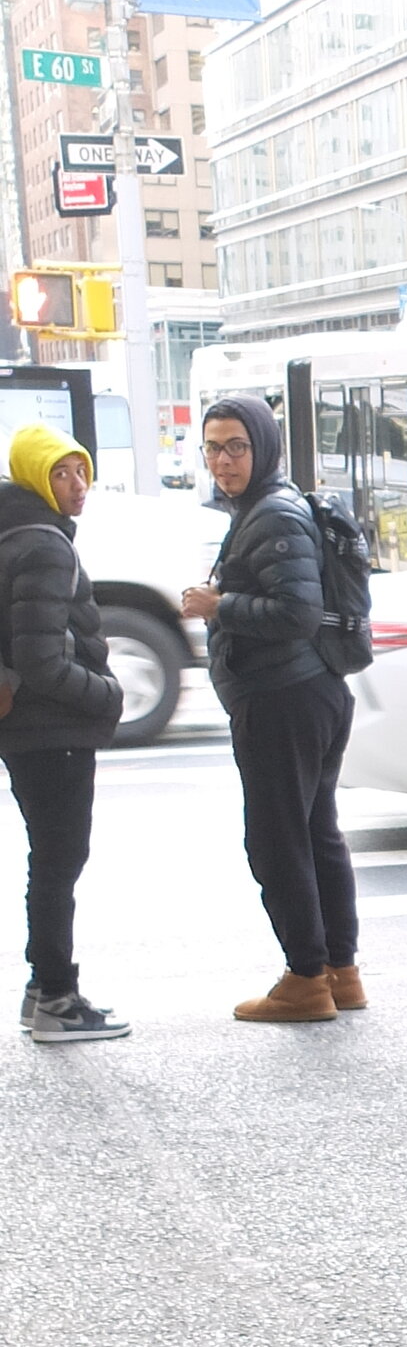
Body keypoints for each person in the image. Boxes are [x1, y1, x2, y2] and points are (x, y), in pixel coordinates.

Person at [182, 396, 363, 1023]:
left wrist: (219, 606)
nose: (224, 460)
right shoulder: (264, 509)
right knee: (314, 833)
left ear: (262, 447)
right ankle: (341, 973)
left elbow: (297, 613)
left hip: (284, 697)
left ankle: (306, 979)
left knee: (277, 841)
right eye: (212, 447)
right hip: (309, 693)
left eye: (237, 446)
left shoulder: (273, 514)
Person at [0, 425, 128, 1042]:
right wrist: (108, 694)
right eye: (60, 474)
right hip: (53, 730)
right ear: (33, 477)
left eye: (81, 470)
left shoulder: (13, 531)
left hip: (25, 729)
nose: (77, 486)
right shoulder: (45, 544)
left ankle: (40, 991)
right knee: (58, 862)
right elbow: (42, 661)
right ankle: (56, 997)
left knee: (48, 860)